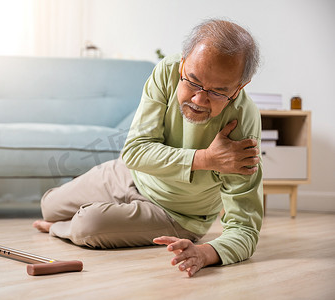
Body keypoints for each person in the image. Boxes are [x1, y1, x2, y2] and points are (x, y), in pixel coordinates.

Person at [33, 18, 263, 277]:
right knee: (49, 205)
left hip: (176, 214)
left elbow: (244, 228)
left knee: (88, 225)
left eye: (218, 92)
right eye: (193, 82)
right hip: (128, 174)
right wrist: (204, 159)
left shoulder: (243, 125)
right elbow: (134, 152)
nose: (199, 99)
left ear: (239, 87)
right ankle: (63, 222)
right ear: (184, 63)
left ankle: (59, 228)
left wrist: (207, 253)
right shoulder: (168, 70)